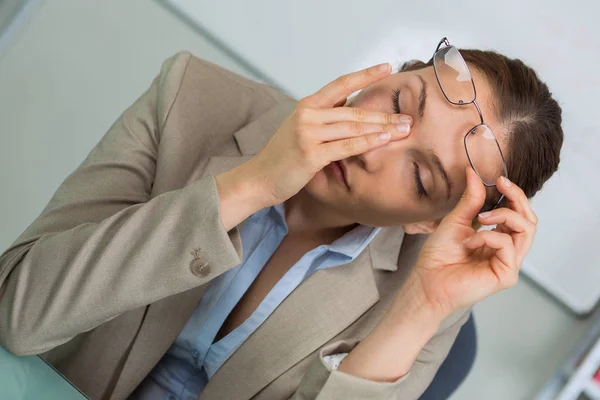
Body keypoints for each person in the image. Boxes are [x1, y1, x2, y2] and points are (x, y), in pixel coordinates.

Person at [0, 37, 563, 400]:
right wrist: (254, 183)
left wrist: (420, 310)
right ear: (388, 72)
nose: (372, 149)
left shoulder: (433, 298)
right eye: (397, 106)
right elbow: (17, 314)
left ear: (429, 222)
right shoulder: (188, 99)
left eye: (421, 179)